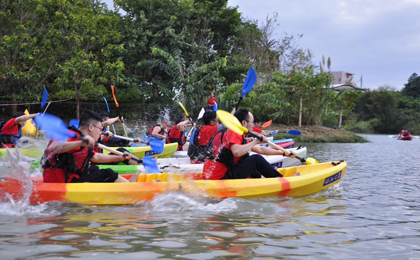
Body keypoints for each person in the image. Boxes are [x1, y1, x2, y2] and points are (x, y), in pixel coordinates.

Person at [41, 109, 139, 183]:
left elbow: (95, 157)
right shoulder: (70, 135)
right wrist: (80, 143)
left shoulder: (84, 139)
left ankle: (126, 184)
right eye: (100, 128)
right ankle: (129, 186)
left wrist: (120, 157)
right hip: (60, 181)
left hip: (70, 177)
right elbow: (53, 148)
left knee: (94, 169)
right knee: (108, 173)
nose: (100, 131)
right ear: (91, 127)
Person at [202, 108, 295, 180]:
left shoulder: (235, 132)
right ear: (244, 123)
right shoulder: (234, 132)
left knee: (246, 159)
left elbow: (260, 149)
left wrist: (284, 153)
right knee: (255, 159)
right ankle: (279, 179)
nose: (253, 126)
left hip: (214, 174)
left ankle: (263, 178)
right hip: (220, 177)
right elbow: (237, 152)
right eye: (252, 122)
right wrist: (256, 141)